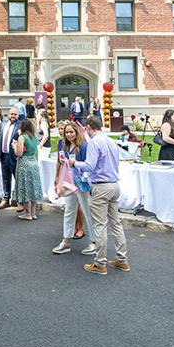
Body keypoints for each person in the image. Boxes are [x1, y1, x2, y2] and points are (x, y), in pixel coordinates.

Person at [68, 116, 128, 275]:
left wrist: (75, 164)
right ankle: (122, 260)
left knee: (100, 225)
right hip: (114, 185)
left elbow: (89, 165)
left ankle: (100, 263)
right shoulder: (110, 141)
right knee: (116, 224)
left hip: (101, 187)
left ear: (88, 127)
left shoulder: (94, 142)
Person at [52, 121, 97, 256]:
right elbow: (59, 162)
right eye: (67, 132)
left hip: (81, 183)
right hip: (68, 182)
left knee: (87, 211)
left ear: (77, 132)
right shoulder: (62, 144)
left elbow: (88, 165)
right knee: (69, 210)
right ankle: (66, 241)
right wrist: (57, 179)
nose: (69, 134)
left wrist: (75, 165)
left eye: (71, 132)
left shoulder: (83, 146)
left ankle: (93, 242)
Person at [13, 118, 43, 220]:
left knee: (25, 188)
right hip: (33, 163)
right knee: (33, 188)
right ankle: (33, 213)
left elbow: (19, 153)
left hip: (24, 164)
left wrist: (14, 147)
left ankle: (28, 213)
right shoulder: (34, 137)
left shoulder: (22, 137)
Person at [0, 106, 22, 209]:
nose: (13, 116)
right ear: (8, 114)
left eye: (15, 114)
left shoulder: (20, 125)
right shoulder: (2, 125)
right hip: (3, 155)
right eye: (11, 114)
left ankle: (19, 200)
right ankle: (5, 199)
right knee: (5, 178)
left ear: (18, 115)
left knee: (17, 178)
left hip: (14, 156)